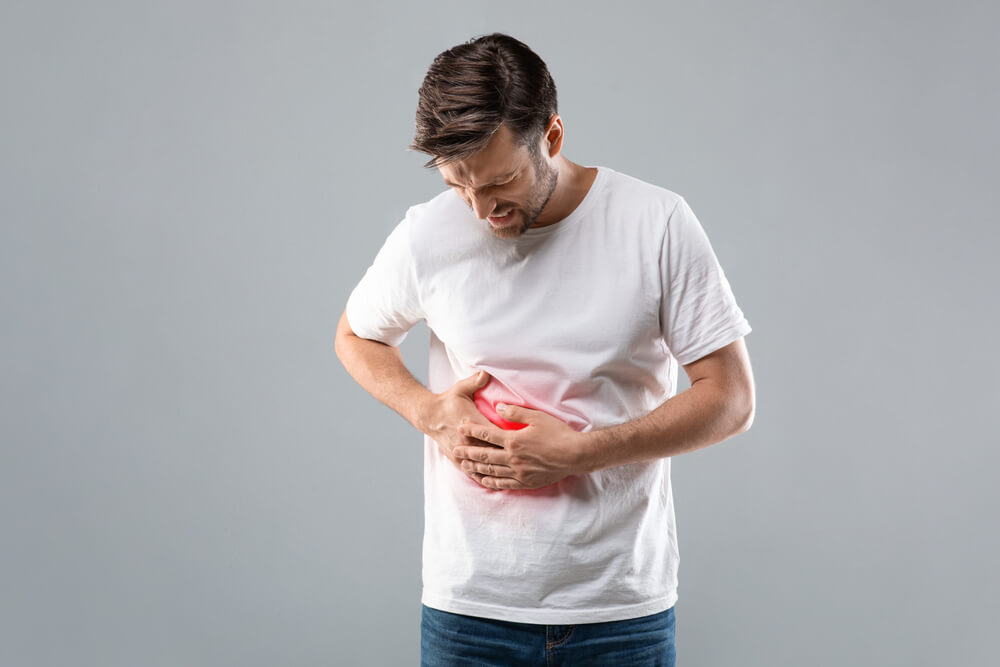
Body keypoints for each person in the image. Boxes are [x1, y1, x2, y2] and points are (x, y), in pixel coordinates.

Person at [335, 32, 755, 666]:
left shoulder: (656, 223)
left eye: (500, 180)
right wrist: (428, 413)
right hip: (469, 612)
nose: (480, 209)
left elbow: (731, 398)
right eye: (459, 185)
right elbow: (355, 334)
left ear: (552, 137)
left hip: (619, 612)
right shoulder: (428, 233)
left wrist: (582, 452)